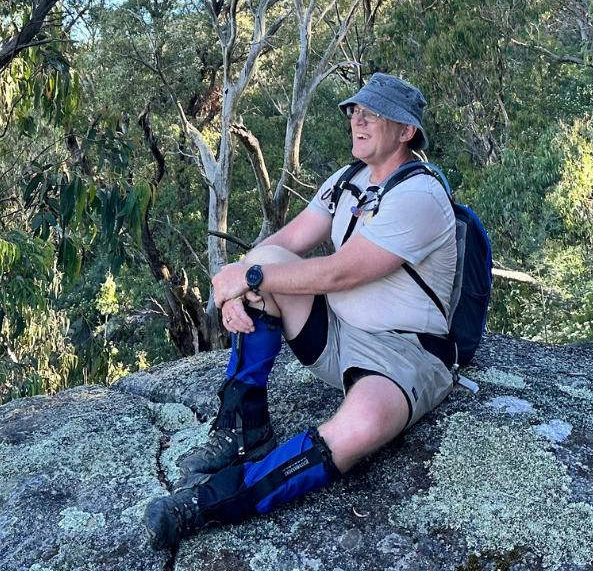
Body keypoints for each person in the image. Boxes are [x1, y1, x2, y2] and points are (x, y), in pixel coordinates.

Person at [143, 72, 458, 550]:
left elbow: (339, 274)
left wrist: (247, 279)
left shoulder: (421, 195)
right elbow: (285, 243)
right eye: (356, 110)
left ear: (406, 130)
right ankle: (243, 430)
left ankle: (206, 504)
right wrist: (237, 286)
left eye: (372, 113)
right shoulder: (347, 181)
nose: (358, 119)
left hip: (405, 356)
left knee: (361, 427)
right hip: (337, 335)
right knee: (264, 261)